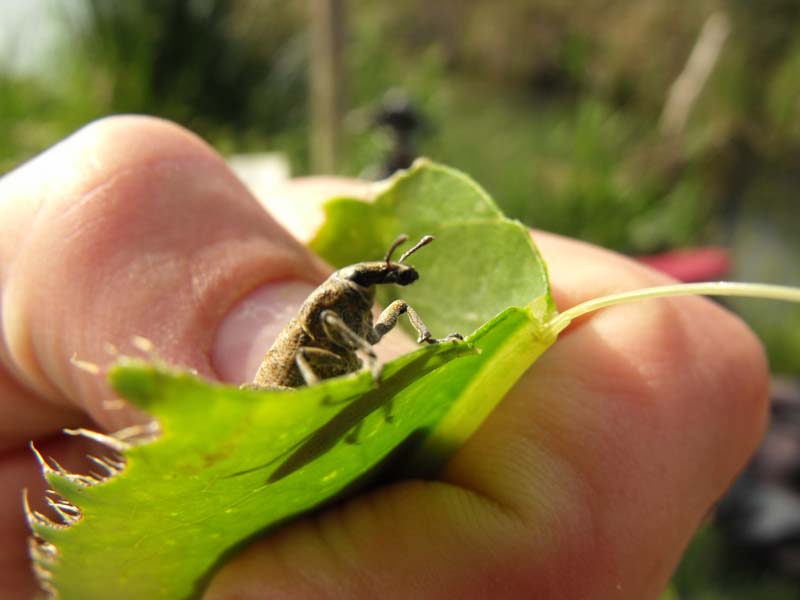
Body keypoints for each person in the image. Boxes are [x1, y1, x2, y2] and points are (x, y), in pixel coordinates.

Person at [0, 116, 768, 599]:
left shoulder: (370, 310)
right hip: (274, 403)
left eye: (383, 276)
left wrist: (426, 348)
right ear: (345, 288)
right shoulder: (322, 315)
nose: (387, 283)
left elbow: (385, 322)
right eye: (377, 275)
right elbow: (312, 355)